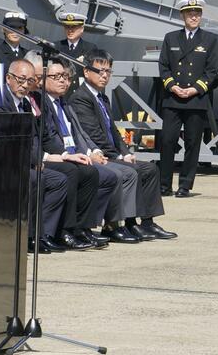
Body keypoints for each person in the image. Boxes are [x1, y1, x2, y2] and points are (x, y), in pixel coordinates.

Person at [69, 49, 176, 240]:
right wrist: (118, 156)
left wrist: (125, 151)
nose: (104, 76)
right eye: (100, 71)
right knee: (130, 172)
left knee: (150, 169)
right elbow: (95, 135)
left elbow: (114, 133)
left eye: (108, 71)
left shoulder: (102, 97)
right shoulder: (81, 97)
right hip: (99, 153)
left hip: (113, 151)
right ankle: (123, 223)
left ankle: (148, 222)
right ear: (86, 72)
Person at [40, 59, 133, 245]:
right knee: (81, 172)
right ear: (42, 79)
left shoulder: (64, 104)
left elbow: (80, 134)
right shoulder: (43, 103)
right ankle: (66, 229)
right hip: (59, 156)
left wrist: (91, 151)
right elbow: (48, 138)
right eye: (56, 77)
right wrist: (67, 155)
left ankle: (85, 227)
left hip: (77, 154)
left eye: (65, 77)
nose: (63, 81)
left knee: (108, 176)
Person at [3, 59, 84, 253]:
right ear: (8, 78)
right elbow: (9, 139)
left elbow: (39, 137)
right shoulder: (1, 101)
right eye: (21, 80)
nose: (25, 85)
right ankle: (30, 236)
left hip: (31, 159)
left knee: (58, 180)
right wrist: (38, 160)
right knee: (37, 179)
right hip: (8, 161)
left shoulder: (26, 102)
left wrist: (50, 157)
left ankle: (44, 234)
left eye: (30, 81)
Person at [157, 0, 218, 197]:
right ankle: (164, 184)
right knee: (167, 141)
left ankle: (185, 185)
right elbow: (164, 67)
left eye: (197, 13)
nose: (194, 17)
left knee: (193, 144)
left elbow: (211, 71)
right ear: (182, 15)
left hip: (196, 100)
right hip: (173, 98)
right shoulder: (170, 38)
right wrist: (173, 87)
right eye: (190, 13)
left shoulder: (210, 40)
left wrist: (195, 89)